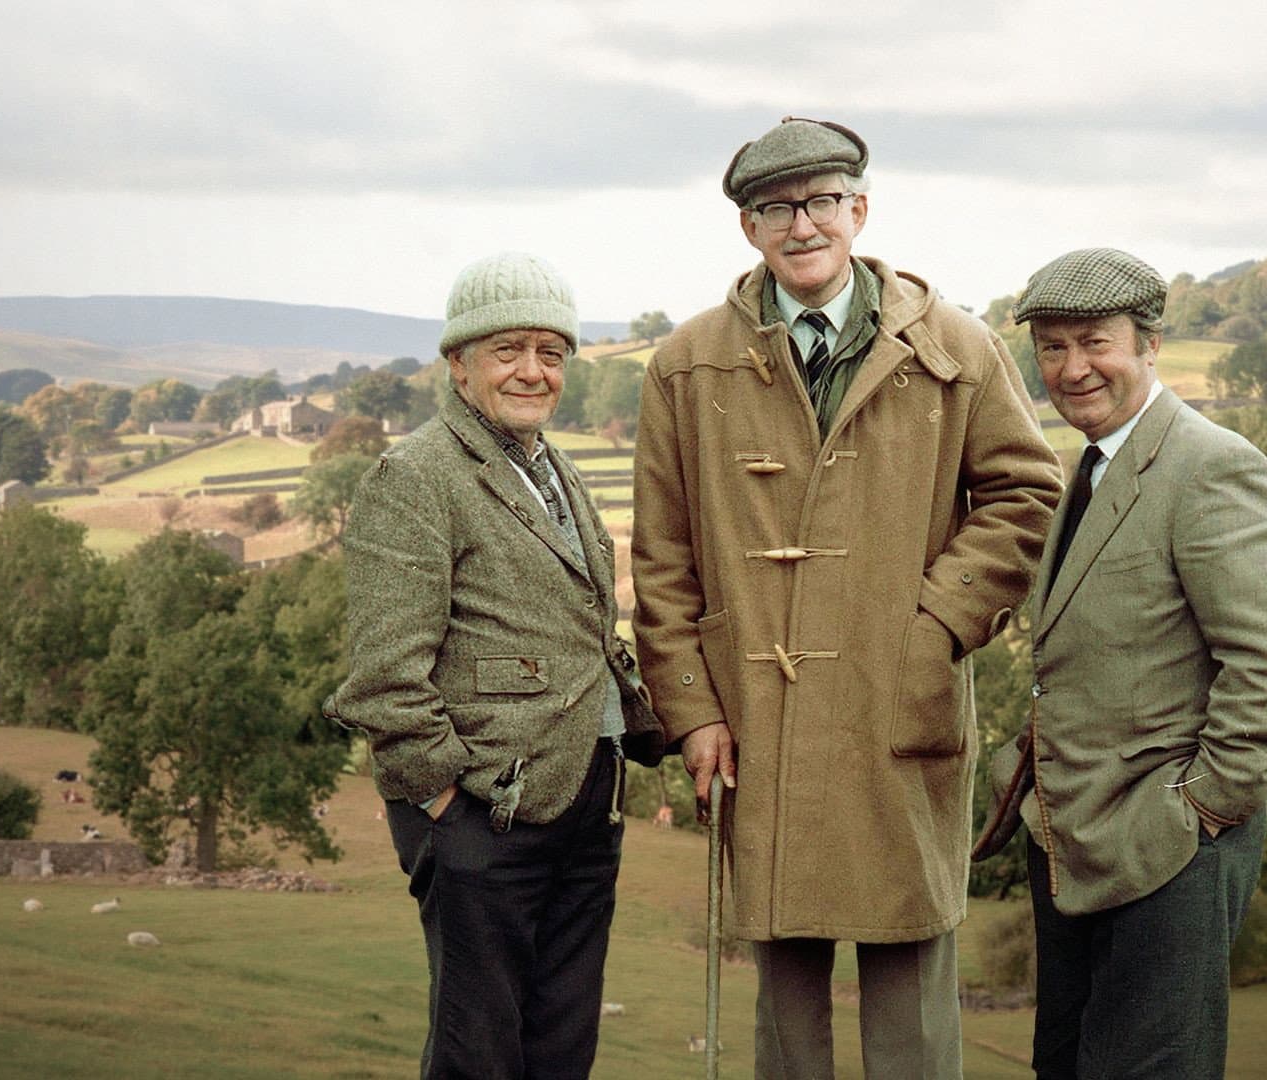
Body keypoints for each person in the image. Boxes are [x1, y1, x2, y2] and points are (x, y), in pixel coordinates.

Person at [631, 116, 1062, 1077]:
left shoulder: (957, 346)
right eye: (774, 209)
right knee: (785, 991)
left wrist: (935, 626)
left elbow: (1026, 493)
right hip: (756, 717)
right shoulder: (686, 365)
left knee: (910, 973)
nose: (801, 226)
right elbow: (661, 563)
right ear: (749, 229)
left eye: (821, 202)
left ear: (859, 211)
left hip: (897, 704)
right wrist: (693, 713)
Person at [973, 247, 1267, 1079]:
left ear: (1150, 343)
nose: (1072, 368)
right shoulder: (1093, 467)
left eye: (1095, 341)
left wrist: (1201, 810)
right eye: (1052, 347)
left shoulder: (1211, 466)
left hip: (1171, 843)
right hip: (1074, 838)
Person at [327, 252, 663, 1080]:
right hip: (482, 815)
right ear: (459, 365)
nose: (532, 370)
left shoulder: (555, 467)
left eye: (551, 353)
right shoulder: (415, 475)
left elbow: (582, 632)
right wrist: (449, 804)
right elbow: (383, 679)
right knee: (480, 1055)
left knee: (560, 1049)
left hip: (583, 806)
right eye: (507, 349)